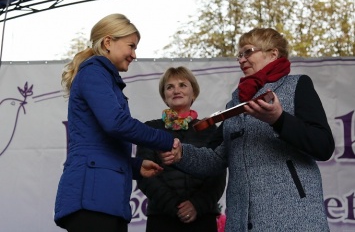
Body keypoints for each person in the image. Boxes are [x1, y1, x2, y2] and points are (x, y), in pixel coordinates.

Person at [160, 28, 335, 231]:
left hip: (293, 219)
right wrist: (182, 154)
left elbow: (323, 145)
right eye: (239, 55)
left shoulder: (296, 86)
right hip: (241, 222)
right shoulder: (234, 103)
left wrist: (279, 120)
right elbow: (216, 159)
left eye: (248, 52)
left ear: (273, 53)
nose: (241, 59)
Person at [54, 13, 178, 232]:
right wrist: (165, 139)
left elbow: (101, 145)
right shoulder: (94, 72)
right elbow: (116, 123)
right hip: (91, 201)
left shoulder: (103, 77)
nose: (134, 54)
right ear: (108, 42)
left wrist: (135, 167)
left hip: (105, 200)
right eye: (131, 46)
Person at [136, 66, 226, 232]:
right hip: (162, 218)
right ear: (164, 96)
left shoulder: (210, 129)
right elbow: (145, 176)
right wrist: (175, 206)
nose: (176, 90)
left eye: (182, 85)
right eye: (170, 87)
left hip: (202, 217)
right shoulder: (149, 130)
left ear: (194, 93)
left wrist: (197, 205)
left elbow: (218, 174)